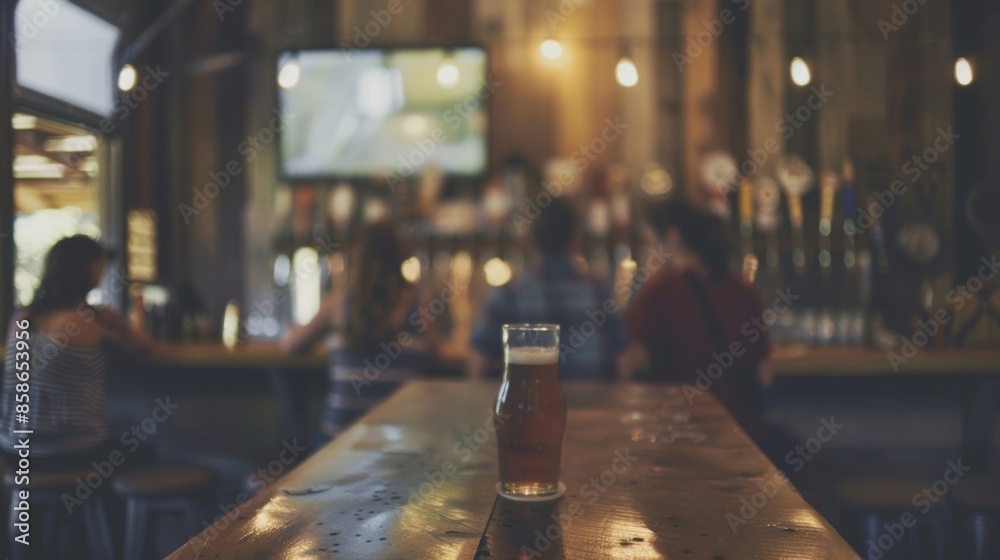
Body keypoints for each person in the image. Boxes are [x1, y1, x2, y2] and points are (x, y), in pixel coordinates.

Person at [0, 235, 154, 470]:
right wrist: (129, 319)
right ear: (89, 268)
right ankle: (101, 507)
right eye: (100, 264)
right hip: (68, 454)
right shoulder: (88, 319)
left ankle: (53, 508)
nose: (103, 271)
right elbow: (143, 348)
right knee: (149, 455)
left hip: (12, 453)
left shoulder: (21, 317)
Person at [627, 200, 772, 438]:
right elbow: (764, 374)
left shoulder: (662, 289)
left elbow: (629, 358)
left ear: (672, 237)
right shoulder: (743, 290)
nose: (649, 253)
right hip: (740, 432)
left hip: (679, 430)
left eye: (651, 242)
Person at [282, 222, 438, 443]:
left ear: (357, 257)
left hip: (338, 446)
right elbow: (435, 354)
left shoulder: (338, 303)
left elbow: (290, 346)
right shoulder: (418, 304)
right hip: (400, 443)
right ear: (399, 258)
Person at [470, 197, 629, 380]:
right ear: (576, 239)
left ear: (529, 240)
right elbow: (622, 359)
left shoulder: (509, 294)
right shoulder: (598, 290)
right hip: (594, 405)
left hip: (531, 406)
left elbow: (477, 361)